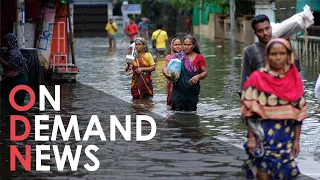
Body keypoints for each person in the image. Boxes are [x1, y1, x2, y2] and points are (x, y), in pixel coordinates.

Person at [240, 38, 307, 180]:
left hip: (286, 138)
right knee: (262, 172)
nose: (277, 57)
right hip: (263, 137)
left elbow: (299, 114)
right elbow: (249, 111)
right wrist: (251, 138)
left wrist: (296, 141)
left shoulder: (294, 80)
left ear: (288, 55)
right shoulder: (257, 78)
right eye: (273, 54)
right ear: (267, 56)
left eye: (282, 53)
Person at [240, 14, 301, 90]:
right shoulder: (249, 51)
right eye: (260, 31)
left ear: (271, 28)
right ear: (255, 34)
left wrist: (288, 44)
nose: (265, 33)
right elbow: (244, 81)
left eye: (267, 28)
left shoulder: (281, 47)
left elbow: (297, 68)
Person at [169, 35, 208, 111]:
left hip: (192, 90)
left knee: (191, 112)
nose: (186, 47)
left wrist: (198, 77)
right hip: (178, 90)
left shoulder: (199, 57)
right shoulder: (177, 56)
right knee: (177, 112)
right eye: (184, 44)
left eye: (189, 45)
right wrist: (168, 75)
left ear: (194, 45)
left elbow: (205, 72)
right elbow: (166, 68)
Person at [0, 33, 28, 106]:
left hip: (19, 80)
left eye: (5, 41)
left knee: (17, 104)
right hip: (11, 80)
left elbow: (10, 65)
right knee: (5, 100)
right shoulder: (10, 51)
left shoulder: (14, 53)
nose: (4, 43)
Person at [162, 38, 183, 109]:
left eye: (179, 44)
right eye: (175, 45)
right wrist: (167, 74)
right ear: (172, 46)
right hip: (171, 81)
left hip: (182, 80)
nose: (177, 46)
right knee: (172, 99)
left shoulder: (185, 57)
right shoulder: (169, 57)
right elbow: (165, 67)